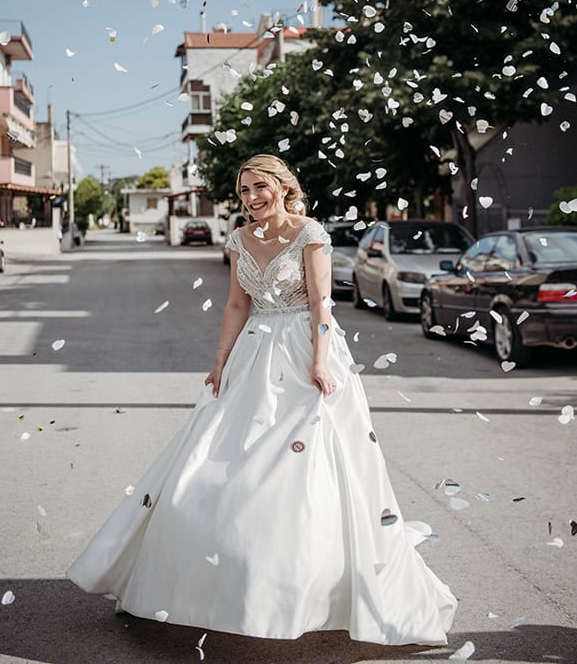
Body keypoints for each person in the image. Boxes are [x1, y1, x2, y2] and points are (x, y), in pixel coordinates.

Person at [66, 154, 457, 645]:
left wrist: (319, 361)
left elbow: (321, 304)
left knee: (309, 469)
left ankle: (313, 586)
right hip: (254, 353)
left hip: (304, 352)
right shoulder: (239, 239)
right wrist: (220, 361)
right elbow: (236, 303)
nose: (251, 198)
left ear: (281, 185)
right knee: (217, 464)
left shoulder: (310, 234)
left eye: (259, 187)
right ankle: (216, 581)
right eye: (244, 191)